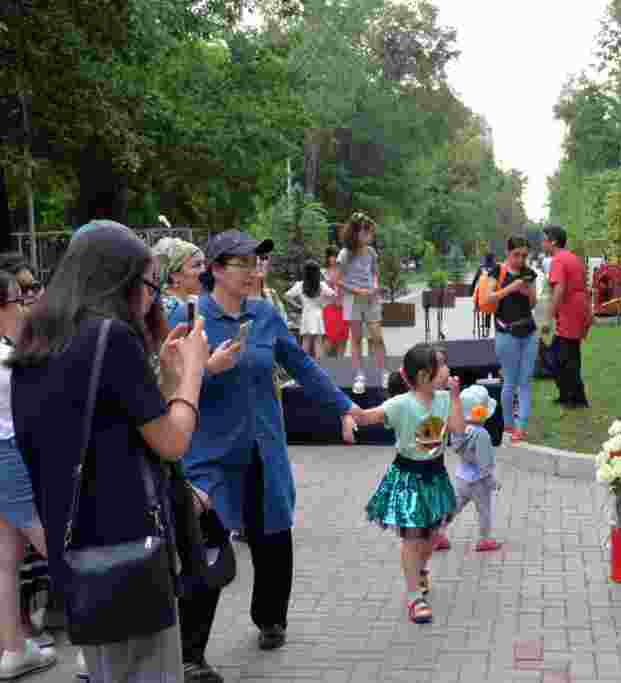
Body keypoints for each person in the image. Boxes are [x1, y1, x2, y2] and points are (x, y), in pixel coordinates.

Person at [10, 220, 209, 683]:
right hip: (129, 547)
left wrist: (164, 379)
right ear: (118, 279)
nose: (152, 297)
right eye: (150, 285)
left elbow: (110, 425)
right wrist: (194, 373)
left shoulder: (36, 338)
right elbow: (172, 441)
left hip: (74, 550)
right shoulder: (110, 338)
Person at [169, 230, 357, 680]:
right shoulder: (190, 315)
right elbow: (168, 385)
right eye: (244, 264)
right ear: (215, 270)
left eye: (256, 262)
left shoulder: (266, 315)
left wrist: (345, 406)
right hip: (210, 455)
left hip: (263, 447)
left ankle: (271, 619)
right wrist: (208, 370)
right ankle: (190, 654)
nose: (255, 271)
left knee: (274, 536)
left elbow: (304, 367)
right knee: (208, 549)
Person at [359, 344, 463, 625]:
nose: (447, 370)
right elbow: (370, 415)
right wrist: (348, 414)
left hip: (435, 476)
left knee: (431, 536)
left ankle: (419, 570)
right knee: (412, 537)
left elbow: (457, 429)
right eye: (441, 366)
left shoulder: (444, 399)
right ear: (423, 375)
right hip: (408, 479)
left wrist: (455, 399)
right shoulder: (401, 404)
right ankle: (414, 597)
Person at [0, 271, 56, 680]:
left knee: (5, 557)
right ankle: (95, 648)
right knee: (56, 546)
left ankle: (14, 648)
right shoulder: (9, 352)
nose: (27, 304)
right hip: (9, 452)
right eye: (20, 298)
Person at [433, 385, 502, 553]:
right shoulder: (482, 435)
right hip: (479, 481)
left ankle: (437, 533)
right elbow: (484, 463)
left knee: (454, 506)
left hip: (462, 477)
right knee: (484, 510)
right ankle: (485, 539)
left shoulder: (458, 432)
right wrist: (491, 480)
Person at [485, 237, 538, 442]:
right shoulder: (497, 272)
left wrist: (527, 292)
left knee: (525, 381)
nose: (521, 259)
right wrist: (511, 288)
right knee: (510, 381)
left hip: (529, 331)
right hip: (505, 333)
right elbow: (489, 298)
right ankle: (508, 424)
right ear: (508, 253)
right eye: (516, 255)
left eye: (524, 255)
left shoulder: (529, 273)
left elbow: (532, 304)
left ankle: (521, 426)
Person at [541, 225, 592, 408]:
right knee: (565, 355)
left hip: (570, 311)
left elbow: (559, 289)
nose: (542, 243)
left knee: (561, 357)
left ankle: (573, 398)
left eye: (544, 239)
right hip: (578, 309)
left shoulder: (558, 260)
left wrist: (548, 318)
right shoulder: (572, 258)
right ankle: (570, 396)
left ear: (553, 241)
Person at [337, 212, 387, 394]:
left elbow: (374, 273)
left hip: (371, 299)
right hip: (352, 300)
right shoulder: (345, 254)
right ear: (357, 233)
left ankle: (381, 371)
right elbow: (338, 280)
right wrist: (356, 291)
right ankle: (359, 375)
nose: (370, 237)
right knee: (356, 339)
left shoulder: (371, 252)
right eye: (368, 233)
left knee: (377, 336)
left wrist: (374, 286)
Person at [285, 260, 336, 361]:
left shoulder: (300, 285)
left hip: (306, 313)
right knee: (318, 341)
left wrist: (297, 306)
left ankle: (303, 367)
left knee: (306, 341)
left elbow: (286, 296)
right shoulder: (321, 285)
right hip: (318, 313)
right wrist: (324, 304)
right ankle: (320, 367)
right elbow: (334, 296)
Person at [152, 237, 205, 319]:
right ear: (175, 275)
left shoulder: (187, 304)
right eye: (197, 265)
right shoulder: (170, 311)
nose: (204, 270)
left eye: (204, 264)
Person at [322, 248, 349, 358]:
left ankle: (340, 365)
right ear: (327, 258)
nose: (333, 258)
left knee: (343, 338)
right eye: (330, 256)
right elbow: (321, 291)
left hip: (344, 307)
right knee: (330, 337)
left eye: (335, 256)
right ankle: (322, 365)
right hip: (330, 307)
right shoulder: (323, 272)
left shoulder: (344, 271)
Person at [470, 253, 497, 336]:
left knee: (479, 290)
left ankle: (486, 329)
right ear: (493, 259)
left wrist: (471, 292)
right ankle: (497, 329)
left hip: (482, 300)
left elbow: (474, 281)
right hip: (494, 298)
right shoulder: (497, 268)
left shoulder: (481, 268)